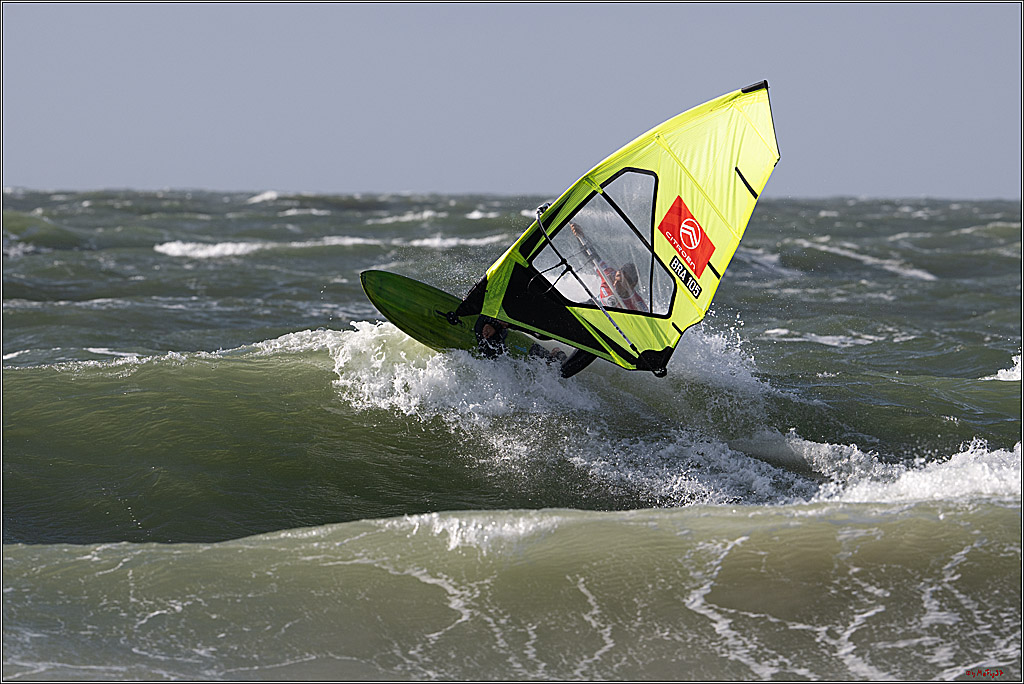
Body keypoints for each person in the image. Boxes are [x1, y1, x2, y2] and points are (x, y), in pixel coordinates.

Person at [569, 223, 648, 312]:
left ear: (632, 285)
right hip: (593, 306)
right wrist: (580, 236)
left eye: (621, 282)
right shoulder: (609, 274)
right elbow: (592, 257)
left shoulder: (637, 305)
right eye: (616, 278)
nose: (614, 284)